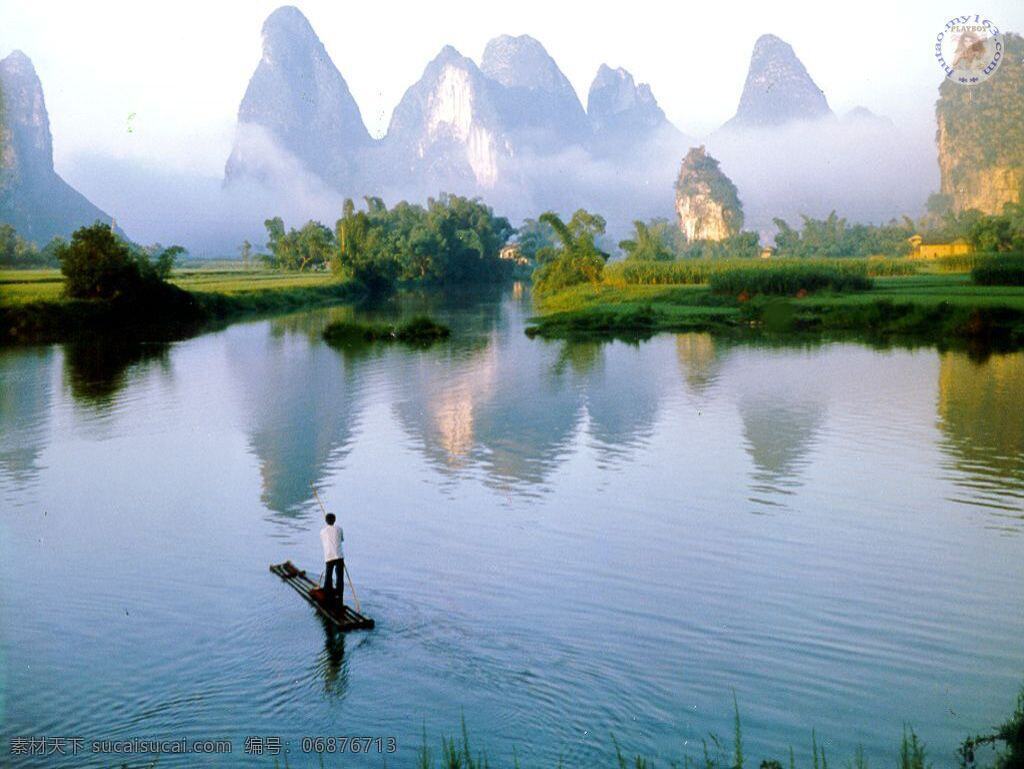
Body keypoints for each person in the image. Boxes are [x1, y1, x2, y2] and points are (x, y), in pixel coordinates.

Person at [319, 513, 344, 605]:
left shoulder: (322, 531)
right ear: (335, 520)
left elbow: (323, 540)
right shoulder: (339, 529)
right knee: (340, 576)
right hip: (339, 556)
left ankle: (327, 592)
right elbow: (341, 539)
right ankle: (339, 594)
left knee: (328, 575)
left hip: (329, 556)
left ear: (326, 521)